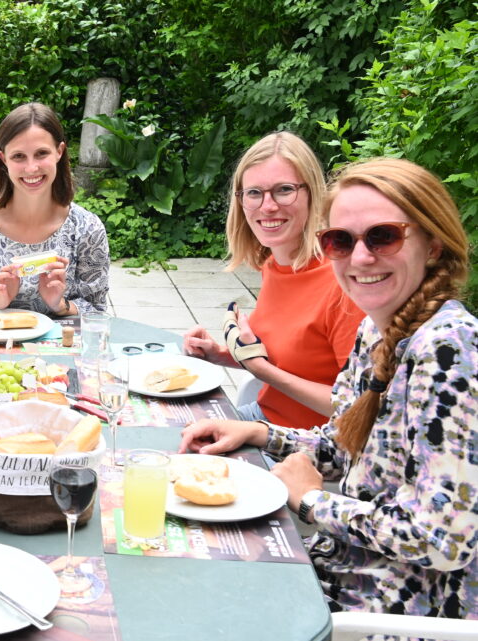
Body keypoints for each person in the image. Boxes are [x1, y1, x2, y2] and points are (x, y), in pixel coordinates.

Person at [180, 157, 477, 619]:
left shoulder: (450, 349)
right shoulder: (380, 330)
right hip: (340, 569)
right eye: (340, 240)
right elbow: (344, 442)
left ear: (434, 244)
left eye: (383, 236)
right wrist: (258, 434)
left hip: (392, 606)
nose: (360, 258)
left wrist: (313, 500)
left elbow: (441, 541)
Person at [183, 132, 364, 429]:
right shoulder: (275, 265)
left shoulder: (344, 282)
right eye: (254, 193)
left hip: (312, 446)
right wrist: (221, 355)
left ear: (313, 195)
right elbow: (287, 359)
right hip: (264, 417)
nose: (267, 206)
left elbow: (357, 406)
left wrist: (260, 370)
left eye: (283, 190)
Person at [0, 102, 109, 317]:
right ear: (3, 159)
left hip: (63, 350)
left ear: (59, 152)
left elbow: (98, 310)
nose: (31, 168)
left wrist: (60, 305)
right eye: (19, 156)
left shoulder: (87, 229)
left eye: (41, 153)